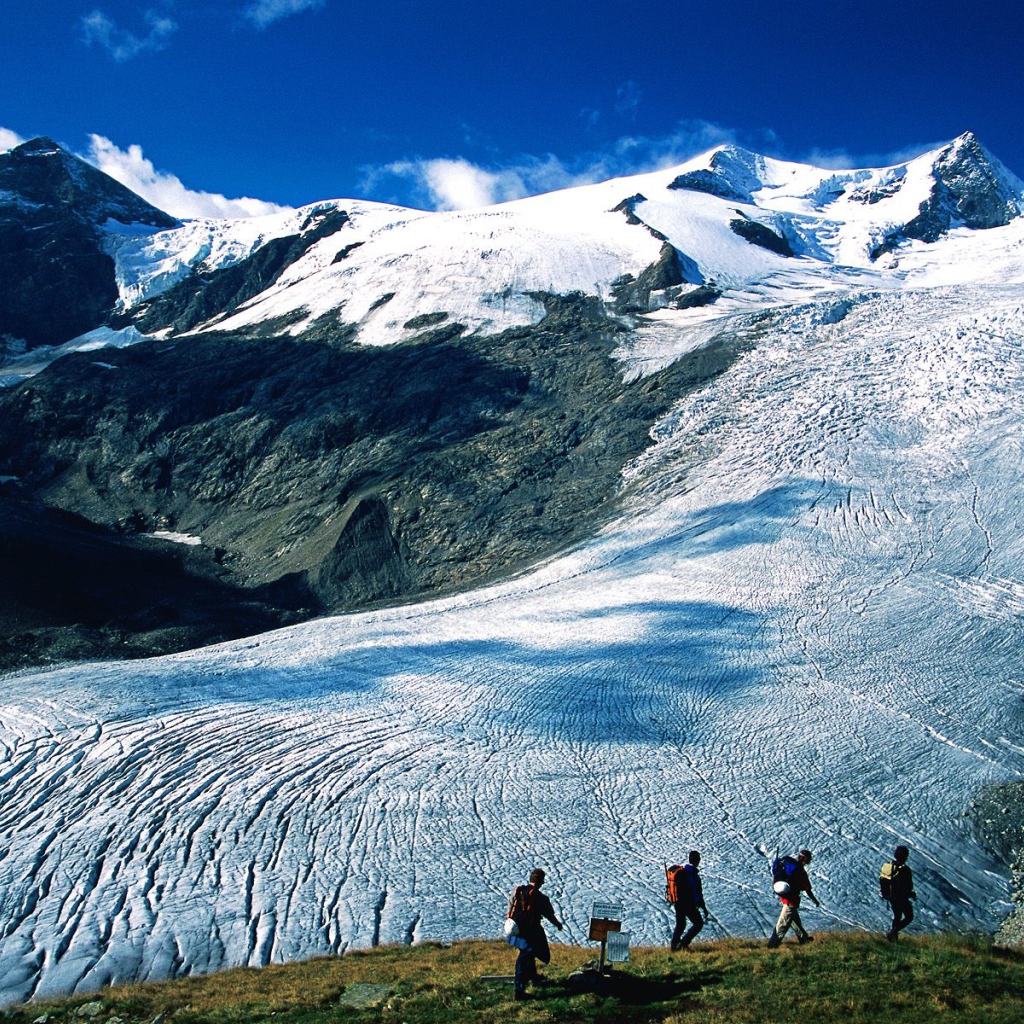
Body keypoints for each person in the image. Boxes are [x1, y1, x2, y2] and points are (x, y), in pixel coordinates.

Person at [505, 868, 563, 1001]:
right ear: (541, 882)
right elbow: (549, 915)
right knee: (525, 958)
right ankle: (519, 990)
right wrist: (558, 924)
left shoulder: (518, 890)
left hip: (516, 930)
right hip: (530, 932)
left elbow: (510, 905)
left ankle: (533, 978)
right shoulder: (540, 898)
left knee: (527, 955)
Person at [766, 848, 820, 948]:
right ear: (805, 860)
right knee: (782, 925)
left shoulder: (789, 865)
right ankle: (772, 945)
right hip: (791, 901)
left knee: (794, 921)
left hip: (785, 897)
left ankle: (804, 939)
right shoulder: (801, 871)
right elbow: (808, 889)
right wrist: (815, 900)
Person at [670, 850, 708, 950]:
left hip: (678, 902)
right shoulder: (694, 876)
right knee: (698, 924)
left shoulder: (682, 871)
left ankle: (674, 947)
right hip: (688, 904)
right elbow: (697, 893)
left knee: (681, 924)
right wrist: (703, 906)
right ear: (698, 861)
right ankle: (683, 944)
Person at [880, 844, 916, 941]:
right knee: (909, 916)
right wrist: (911, 894)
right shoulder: (905, 870)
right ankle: (893, 932)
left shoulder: (889, 866)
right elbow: (908, 886)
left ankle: (893, 937)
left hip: (891, 897)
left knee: (897, 915)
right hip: (901, 897)